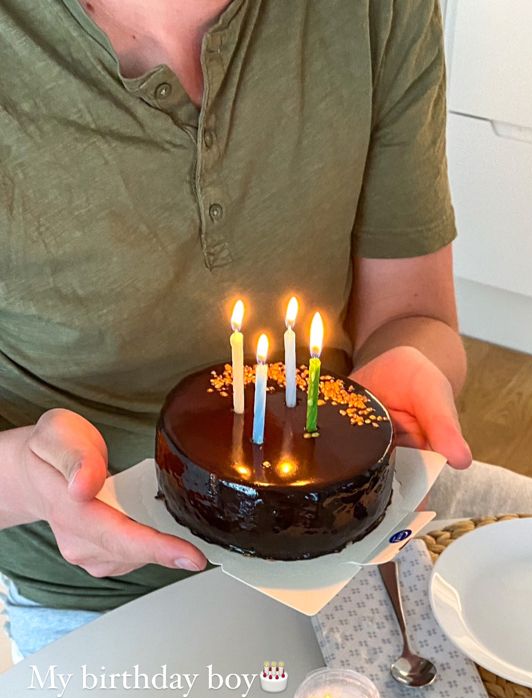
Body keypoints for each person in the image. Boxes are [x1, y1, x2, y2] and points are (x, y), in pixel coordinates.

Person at [0, 0, 470, 658]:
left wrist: (414, 361)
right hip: (94, 597)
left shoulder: (376, 12)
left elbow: (412, 318)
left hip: (334, 546)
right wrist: (28, 477)